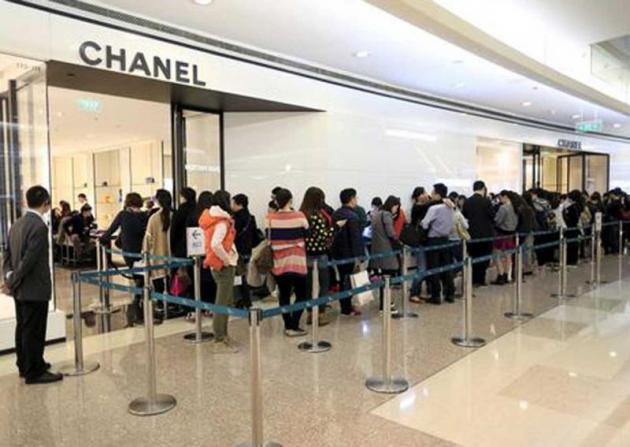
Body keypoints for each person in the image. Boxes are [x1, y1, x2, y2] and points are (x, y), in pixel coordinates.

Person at [2, 186, 62, 384]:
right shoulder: (39, 226)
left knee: (24, 328)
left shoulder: (17, 224)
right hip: (34, 288)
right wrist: (12, 280)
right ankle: (34, 372)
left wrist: (9, 278)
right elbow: (29, 260)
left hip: (20, 289)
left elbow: (7, 255)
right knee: (34, 330)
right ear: (46, 202)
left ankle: (26, 364)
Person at [100, 192, 149, 326]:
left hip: (129, 251)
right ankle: (141, 298)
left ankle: (138, 298)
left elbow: (111, 230)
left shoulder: (123, 215)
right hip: (144, 251)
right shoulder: (145, 215)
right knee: (142, 275)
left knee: (137, 275)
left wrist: (102, 238)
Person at [199, 190, 239, 353]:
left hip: (216, 264)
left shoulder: (212, 218)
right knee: (222, 303)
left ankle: (224, 335)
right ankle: (219, 339)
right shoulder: (221, 222)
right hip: (223, 266)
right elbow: (216, 244)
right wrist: (227, 259)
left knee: (225, 302)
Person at [267, 188, 310, 336]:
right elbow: (307, 233)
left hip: (280, 263)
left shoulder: (270, 218)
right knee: (302, 294)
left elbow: (269, 239)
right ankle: (295, 324)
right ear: (290, 200)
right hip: (298, 262)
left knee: (284, 295)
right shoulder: (299, 216)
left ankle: (288, 326)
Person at [299, 186, 334, 326]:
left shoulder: (301, 214)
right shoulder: (317, 215)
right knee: (323, 285)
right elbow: (323, 237)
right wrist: (334, 228)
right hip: (320, 254)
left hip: (305, 254)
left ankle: (309, 314)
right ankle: (320, 314)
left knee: (308, 286)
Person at [332, 188, 365, 316]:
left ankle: (344, 305)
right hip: (349, 255)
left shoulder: (336, 214)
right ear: (351, 199)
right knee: (348, 281)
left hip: (338, 253)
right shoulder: (353, 216)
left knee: (342, 280)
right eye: (356, 197)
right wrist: (360, 257)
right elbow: (356, 238)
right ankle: (346, 307)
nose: (356, 200)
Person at [421, 183, 455, 304]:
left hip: (433, 240)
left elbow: (425, 223)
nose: (431, 194)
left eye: (433, 192)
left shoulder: (433, 208)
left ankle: (436, 296)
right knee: (447, 267)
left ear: (438, 194)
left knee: (433, 268)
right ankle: (450, 294)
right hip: (445, 239)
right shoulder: (451, 206)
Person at [142, 189, 172, 317]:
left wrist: (145, 252)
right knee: (171, 278)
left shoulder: (153, 218)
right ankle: (172, 302)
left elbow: (148, 238)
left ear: (158, 201)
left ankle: (160, 303)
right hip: (172, 255)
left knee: (158, 278)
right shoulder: (174, 215)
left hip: (157, 254)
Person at [370, 195, 401, 312]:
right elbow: (390, 232)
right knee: (389, 278)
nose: (396, 210)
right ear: (393, 205)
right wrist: (398, 241)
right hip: (387, 251)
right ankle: (385, 305)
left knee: (384, 277)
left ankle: (386, 303)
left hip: (378, 251)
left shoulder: (377, 213)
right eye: (396, 207)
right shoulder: (387, 215)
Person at [463, 181, 494, 287]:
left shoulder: (467, 201)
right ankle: (481, 279)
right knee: (484, 257)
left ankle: (473, 279)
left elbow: (465, 216)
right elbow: (492, 216)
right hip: (486, 234)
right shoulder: (487, 201)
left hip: (472, 234)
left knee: (473, 257)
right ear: (483, 188)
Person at [231, 193, 259, 309]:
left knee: (238, 277)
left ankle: (243, 300)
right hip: (247, 251)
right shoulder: (251, 217)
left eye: (233, 203)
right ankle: (244, 300)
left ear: (239, 204)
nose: (231, 205)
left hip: (237, 251)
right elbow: (255, 237)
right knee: (243, 275)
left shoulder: (234, 219)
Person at [190, 191, 216, 309]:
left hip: (196, 251)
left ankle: (200, 306)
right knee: (211, 280)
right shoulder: (215, 217)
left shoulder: (193, 216)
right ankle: (211, 306)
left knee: (199, 280)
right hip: (212, 252)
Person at [492, 190, 518, 285]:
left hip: (501, 234)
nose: (499, 199)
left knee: (497, 255)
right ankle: (507, 275)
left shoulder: (503, 208)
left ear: (505, 197)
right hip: (511, 234)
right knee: (508, 256)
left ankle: (500, 275)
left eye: (500, 197)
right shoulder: (514, 207)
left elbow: (497, 221)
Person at [410, 186, 431, 301]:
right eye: (424, 193)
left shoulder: (422, 206)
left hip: (423, 241)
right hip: (419, 242)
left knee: (424, 268)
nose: (426, 195)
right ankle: (414, 292)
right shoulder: (418, 207)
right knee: (422, 268)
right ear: (419, 196)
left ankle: (418, 291)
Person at [170, 187, 197, 260]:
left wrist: (172, 245)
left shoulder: (181, 210)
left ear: (184, 197)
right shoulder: (197, 208)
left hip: (181, 245)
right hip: (196, 245)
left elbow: (174, 228)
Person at [563, 190, 583, 266]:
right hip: (575, 227)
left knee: (571, 245)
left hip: (571, 227)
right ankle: (573, 260)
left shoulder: (572, 207)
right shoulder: (578, 205)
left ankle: (571, 261)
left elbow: (573, 218)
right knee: (574, 244)